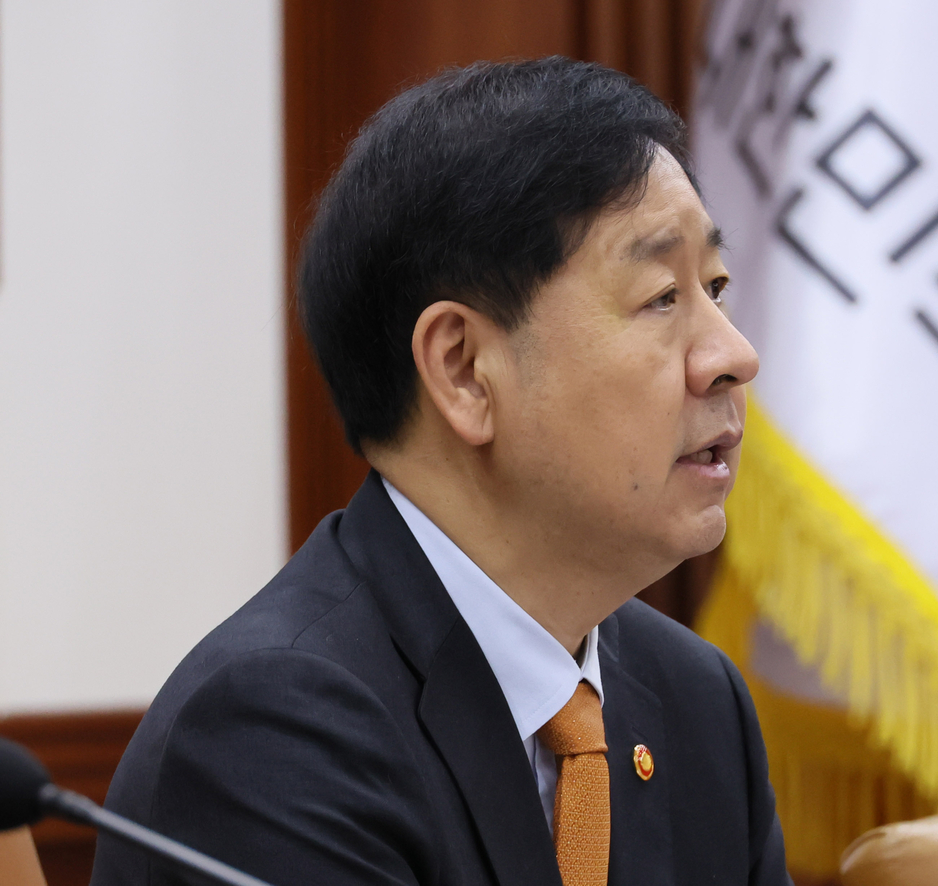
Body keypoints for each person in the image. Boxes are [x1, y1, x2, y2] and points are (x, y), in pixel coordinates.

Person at [91, 57, 789, 886]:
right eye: (662, 297)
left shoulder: (697, 702)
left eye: (716, 286)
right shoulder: (273, 733)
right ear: (462, 370)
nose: (734, 355)